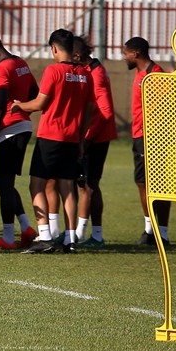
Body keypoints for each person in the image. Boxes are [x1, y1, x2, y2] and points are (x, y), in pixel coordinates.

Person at [11, 29, 95, 254]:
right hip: (71, 137)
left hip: (50, 136)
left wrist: (19, 105)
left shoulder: (54, 71)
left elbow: (40, 104)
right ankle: (70, 239)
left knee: (36, 184)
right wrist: (80, 136)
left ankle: (45, 236)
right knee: (67, 187)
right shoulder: (86, 74)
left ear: (55, 48)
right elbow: (90, 109)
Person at [0, 33, 40, 250]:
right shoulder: (20, 62)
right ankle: (25, 228)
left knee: (4, 182)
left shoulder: (1, 68)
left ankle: (8, 237)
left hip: (9, 129)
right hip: (23, 125)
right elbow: (34, 90)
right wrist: (22, 104)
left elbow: (1, 99)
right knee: (4, 181)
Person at [123, 36, 170, 247]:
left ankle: (158, 232)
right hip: (140, 135)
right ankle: (152, 231)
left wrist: (154, 135)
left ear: (136, 54)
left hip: (150, 137)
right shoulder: (140, 73)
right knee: (145, 183)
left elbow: (164, 108)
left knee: (154, 184)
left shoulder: (154, 74)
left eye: (126, 54)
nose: (124, 58)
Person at [74, 37, 117, 248]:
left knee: (89, 185)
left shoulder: (96, 74)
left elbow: (106, 111)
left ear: (77, 56)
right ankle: (90, 233)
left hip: (95, 138)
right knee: (85, 184)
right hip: (91, 136)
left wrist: (87, 138)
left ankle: (84, 234)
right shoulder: (91, 70)